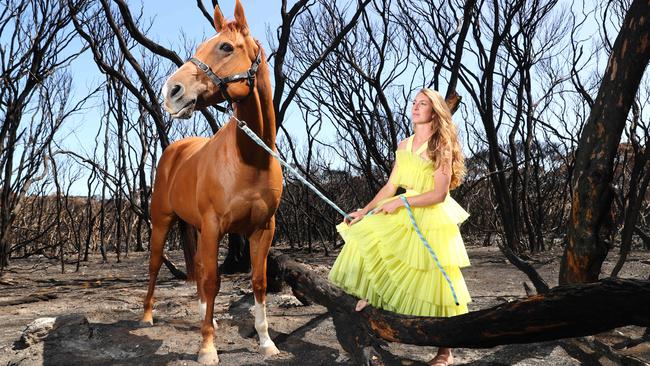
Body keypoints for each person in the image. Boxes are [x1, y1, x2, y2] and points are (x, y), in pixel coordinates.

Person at [328, 88, 471, 366]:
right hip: (404, 207)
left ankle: (445, 352)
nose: (416, 107)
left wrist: (402, 205)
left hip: (430, 213)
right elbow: (391, 186)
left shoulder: (440, 145)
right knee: (368, 234)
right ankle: (375, 303)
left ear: (435, 111)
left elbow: (439, 194)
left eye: (423, 104)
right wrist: (364, 210)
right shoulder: (405, 145)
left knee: (436, 280)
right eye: (414, 103)